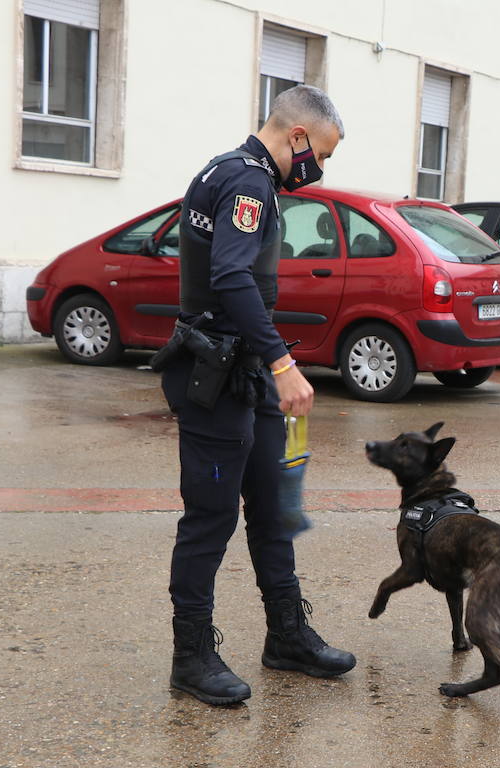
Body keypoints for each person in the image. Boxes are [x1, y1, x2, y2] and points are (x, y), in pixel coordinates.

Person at [159, 85, 355, 706]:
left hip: (245, 377)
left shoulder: (240, 175)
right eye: (319, 154)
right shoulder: (245, 182)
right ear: (297, 137)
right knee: (210, 520)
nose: (318, 169)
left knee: (273, 509)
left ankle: (287, 636)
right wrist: (282, 362)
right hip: (219, 380)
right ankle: (191, 658)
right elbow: (231, 276)